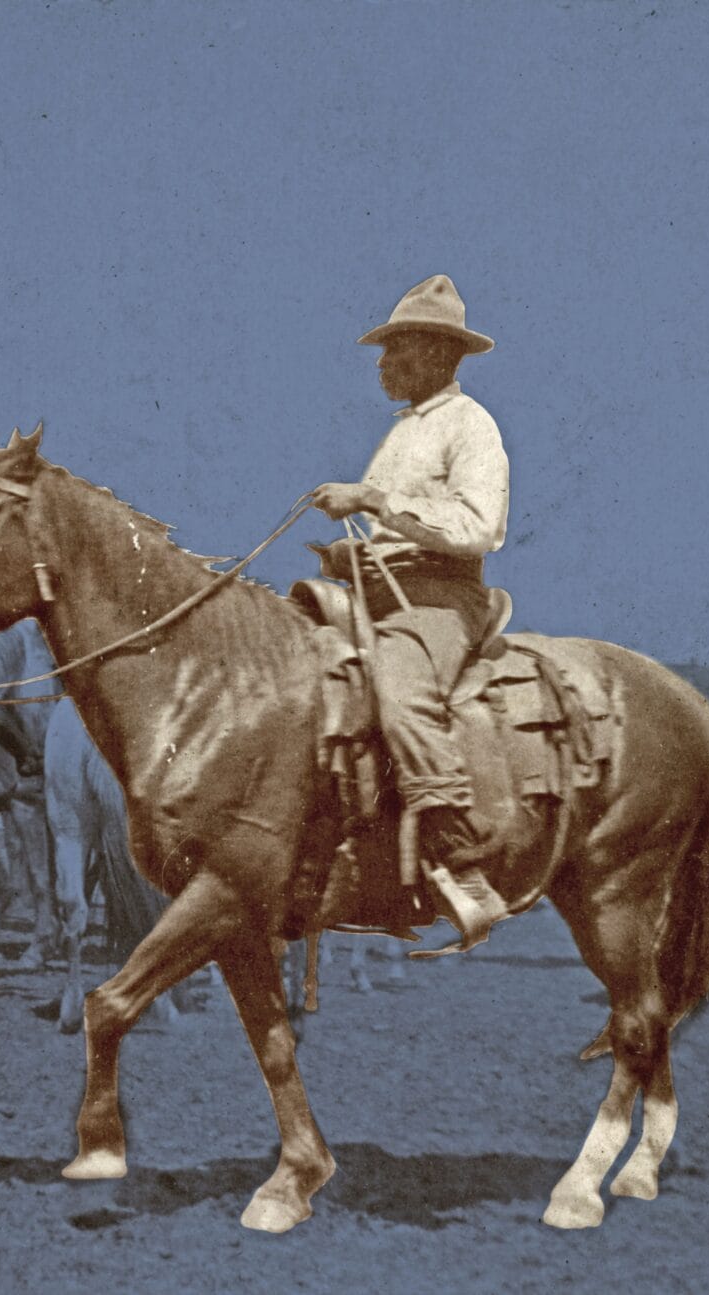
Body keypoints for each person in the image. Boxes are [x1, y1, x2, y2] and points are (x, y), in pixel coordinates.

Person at [309, 274, 512, 949]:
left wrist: (374, 504)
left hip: (440, 599)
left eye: (394, 350)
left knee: (401, 696)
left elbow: (480, 525)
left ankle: (460, 861)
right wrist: (347, 554)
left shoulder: (471, 426)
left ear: (431, 353)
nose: (382, 363)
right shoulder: (403, 433)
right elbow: (391, 529)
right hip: (383, 591)